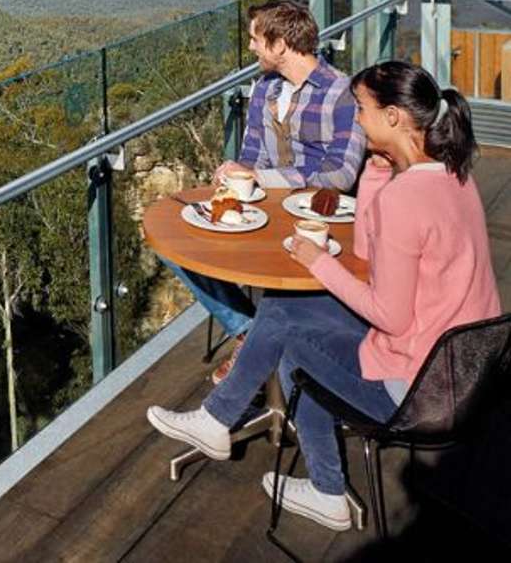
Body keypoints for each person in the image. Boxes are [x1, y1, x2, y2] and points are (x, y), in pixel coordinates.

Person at [148, 62, 500, 531]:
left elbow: (389, 316)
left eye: (362, 109)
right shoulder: (454, 175)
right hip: (464, 370)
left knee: (289, 340)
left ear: (394, 117)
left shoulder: (406, 200)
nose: (355, 119)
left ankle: (319, 484)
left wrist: (318, 263)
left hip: (418, 390)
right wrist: (375, 176)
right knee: (281, 308)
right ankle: (225, 427)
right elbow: (367, 251)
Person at [168, 0, 367, 384]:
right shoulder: (264, 89)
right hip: (266, 214)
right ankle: (250, 332)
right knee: (180, 247)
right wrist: (235, 179)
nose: (252, 48)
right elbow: (250, 156)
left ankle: (254, 344)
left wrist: (264, 179)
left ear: (279, 45)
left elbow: (340, 173)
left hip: (319, 223)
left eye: (257, 39)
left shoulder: (340, 93)